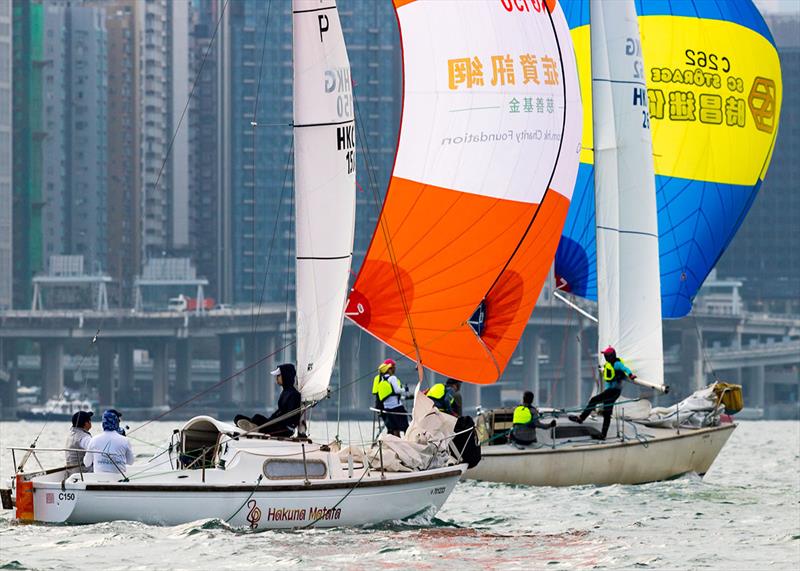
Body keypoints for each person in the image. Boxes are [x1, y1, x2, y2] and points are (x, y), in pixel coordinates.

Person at [569, 346, 637, 440]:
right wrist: (606, 390)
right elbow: (608, 381)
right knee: (607, 413)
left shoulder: (616, 364)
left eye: (607, 355)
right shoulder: (608, 365)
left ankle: (581, 418)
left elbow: (625, 369)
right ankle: (603, 435)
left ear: (612, 356)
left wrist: (631, 375)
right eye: (605, 355)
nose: (605, 357)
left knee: (594, 400)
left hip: (614, 391)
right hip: (610, 391)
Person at [234, 363, 301, 437]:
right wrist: (269, 421)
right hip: (275, 424)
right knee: (240, 417)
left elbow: (291, 419)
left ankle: (256, 429)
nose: (276, 378)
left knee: (258, 419)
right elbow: (279, 412)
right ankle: (253, 427)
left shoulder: (294, 395)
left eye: (278, 375)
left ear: (286, 376)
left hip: (284, 429)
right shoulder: (285, 392)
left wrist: (271, 422)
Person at [84, 409, 135, 475]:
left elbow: (87, 463)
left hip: (98, 479)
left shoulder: (94, 440)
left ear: (103, 423)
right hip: (119, 479)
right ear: (116, 422)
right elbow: (130, 462)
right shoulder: (125, 440)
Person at [375, 360, 410, 436]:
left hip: (387, 408)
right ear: (389, 369)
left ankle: (396, 444)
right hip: (397, 407)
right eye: (393, 368)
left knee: (394, 428)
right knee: (406, 428)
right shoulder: (393, 378)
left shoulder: (381, 380)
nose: (395, 369)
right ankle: (408, 443)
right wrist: (405, 389)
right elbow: (397, 391)